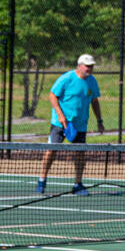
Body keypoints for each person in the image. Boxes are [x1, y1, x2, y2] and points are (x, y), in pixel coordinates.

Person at [36, 54, 106, 195]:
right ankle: (42, 180)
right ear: (79, 65)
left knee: (80, 154)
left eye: (91, 66)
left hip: (80, 124)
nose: (90, 69)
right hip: (59, 123)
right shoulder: (66, 78)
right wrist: (61, 115)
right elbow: (52, 95)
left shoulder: (92, 81)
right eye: (87, 66)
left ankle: (77, 184)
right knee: (51, 151)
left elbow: (94, 101)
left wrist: (99, 121)